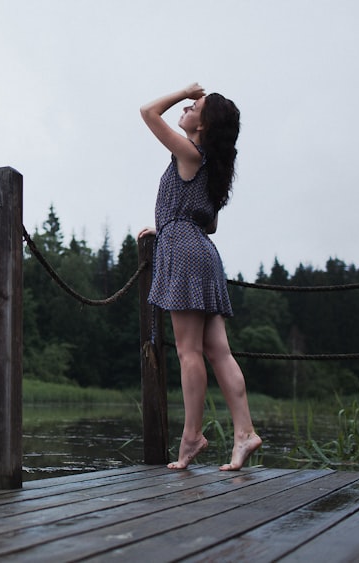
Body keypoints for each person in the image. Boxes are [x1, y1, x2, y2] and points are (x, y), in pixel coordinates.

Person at [137, 83, 262, 471]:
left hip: (185, 254)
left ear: (204, 125)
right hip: (202, 252)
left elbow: (147, 112)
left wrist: (183, 90)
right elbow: (208, 224)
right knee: (218, 352)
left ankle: (191, 437)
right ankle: (244, 433)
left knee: (188, 352)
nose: (189, 106)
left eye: (196, 106)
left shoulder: (190, 153)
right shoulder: (211, 165)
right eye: (191, 101)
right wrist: (168, 225)